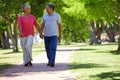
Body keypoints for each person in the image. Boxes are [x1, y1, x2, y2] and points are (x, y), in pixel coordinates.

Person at [40, 3, 62, 67]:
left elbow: (60, 25)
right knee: (47, 49)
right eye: (46, 8)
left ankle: (52, 61)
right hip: (46, 35)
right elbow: (42, 25)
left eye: (47, 8)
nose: (46, 9)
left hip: (54, 35)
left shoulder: (57, 15)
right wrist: (40, 33)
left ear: (51, 8)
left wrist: (60, 34)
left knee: (53, 48)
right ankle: (50, 60)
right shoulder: (44, 16)